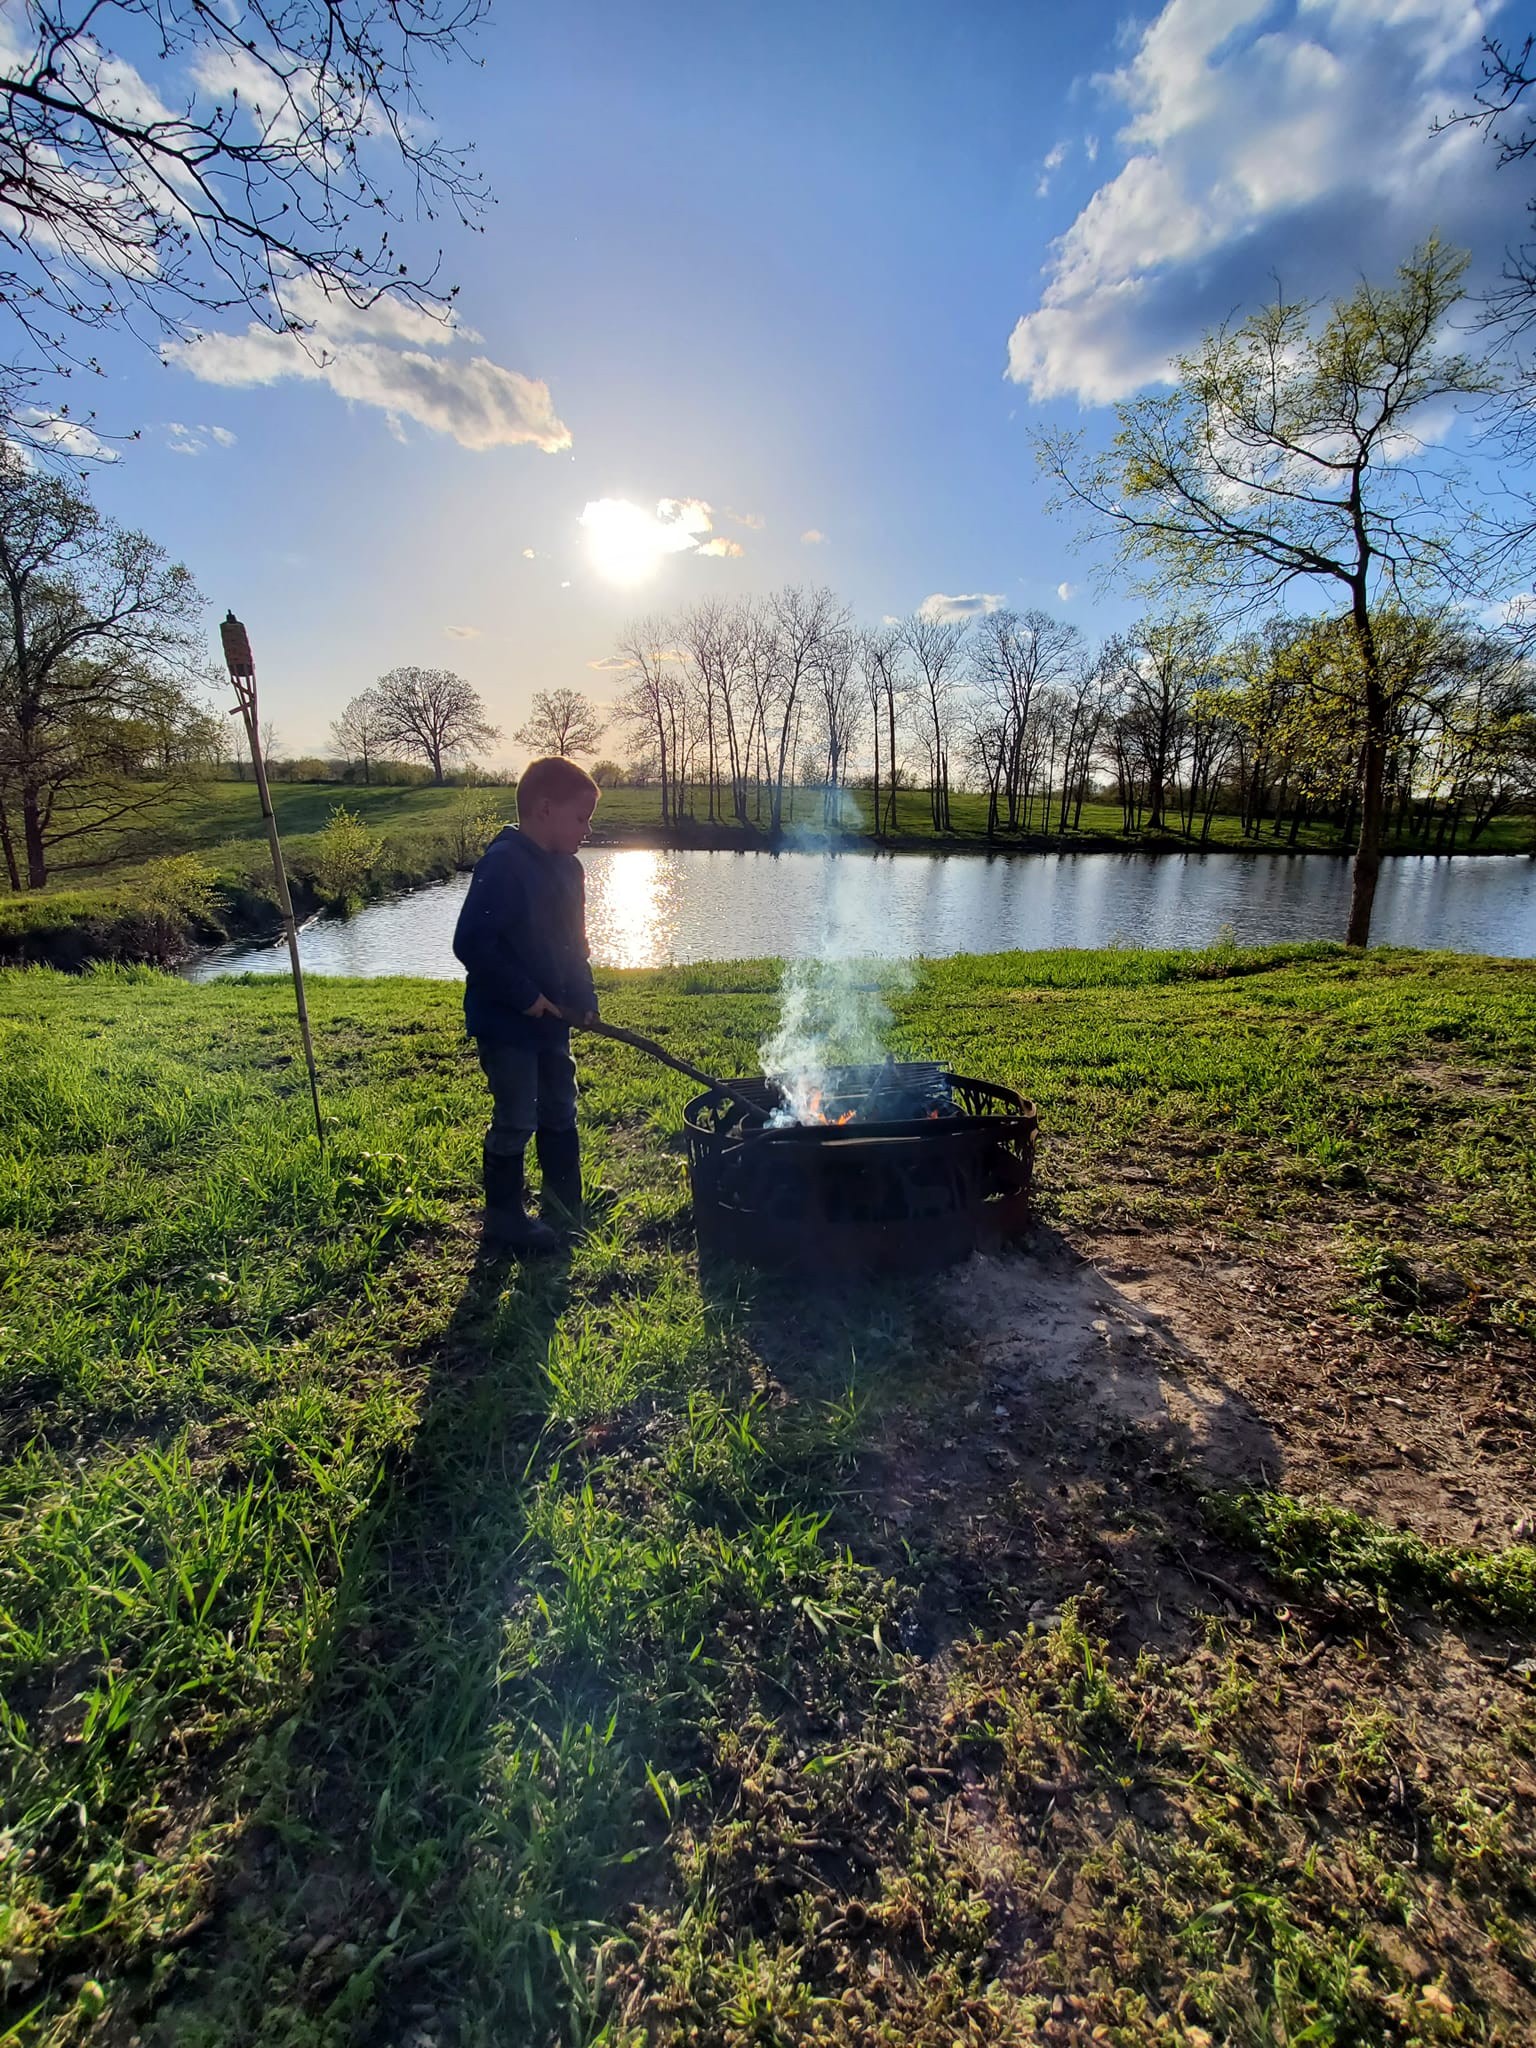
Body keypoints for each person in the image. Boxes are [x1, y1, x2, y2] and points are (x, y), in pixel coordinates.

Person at [452, 755, 600, 1253]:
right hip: (507, 1022)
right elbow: (472, 943)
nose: (588, 829)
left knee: (560, 1104)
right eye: (580, 818)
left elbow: (575, 945)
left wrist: (583, 999)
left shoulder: (570, 871)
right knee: (517, 1116)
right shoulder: (504, 864)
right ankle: (504, 1220)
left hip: (551, 1022)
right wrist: (525, 996)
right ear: (544, 809)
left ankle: (564, 1201)